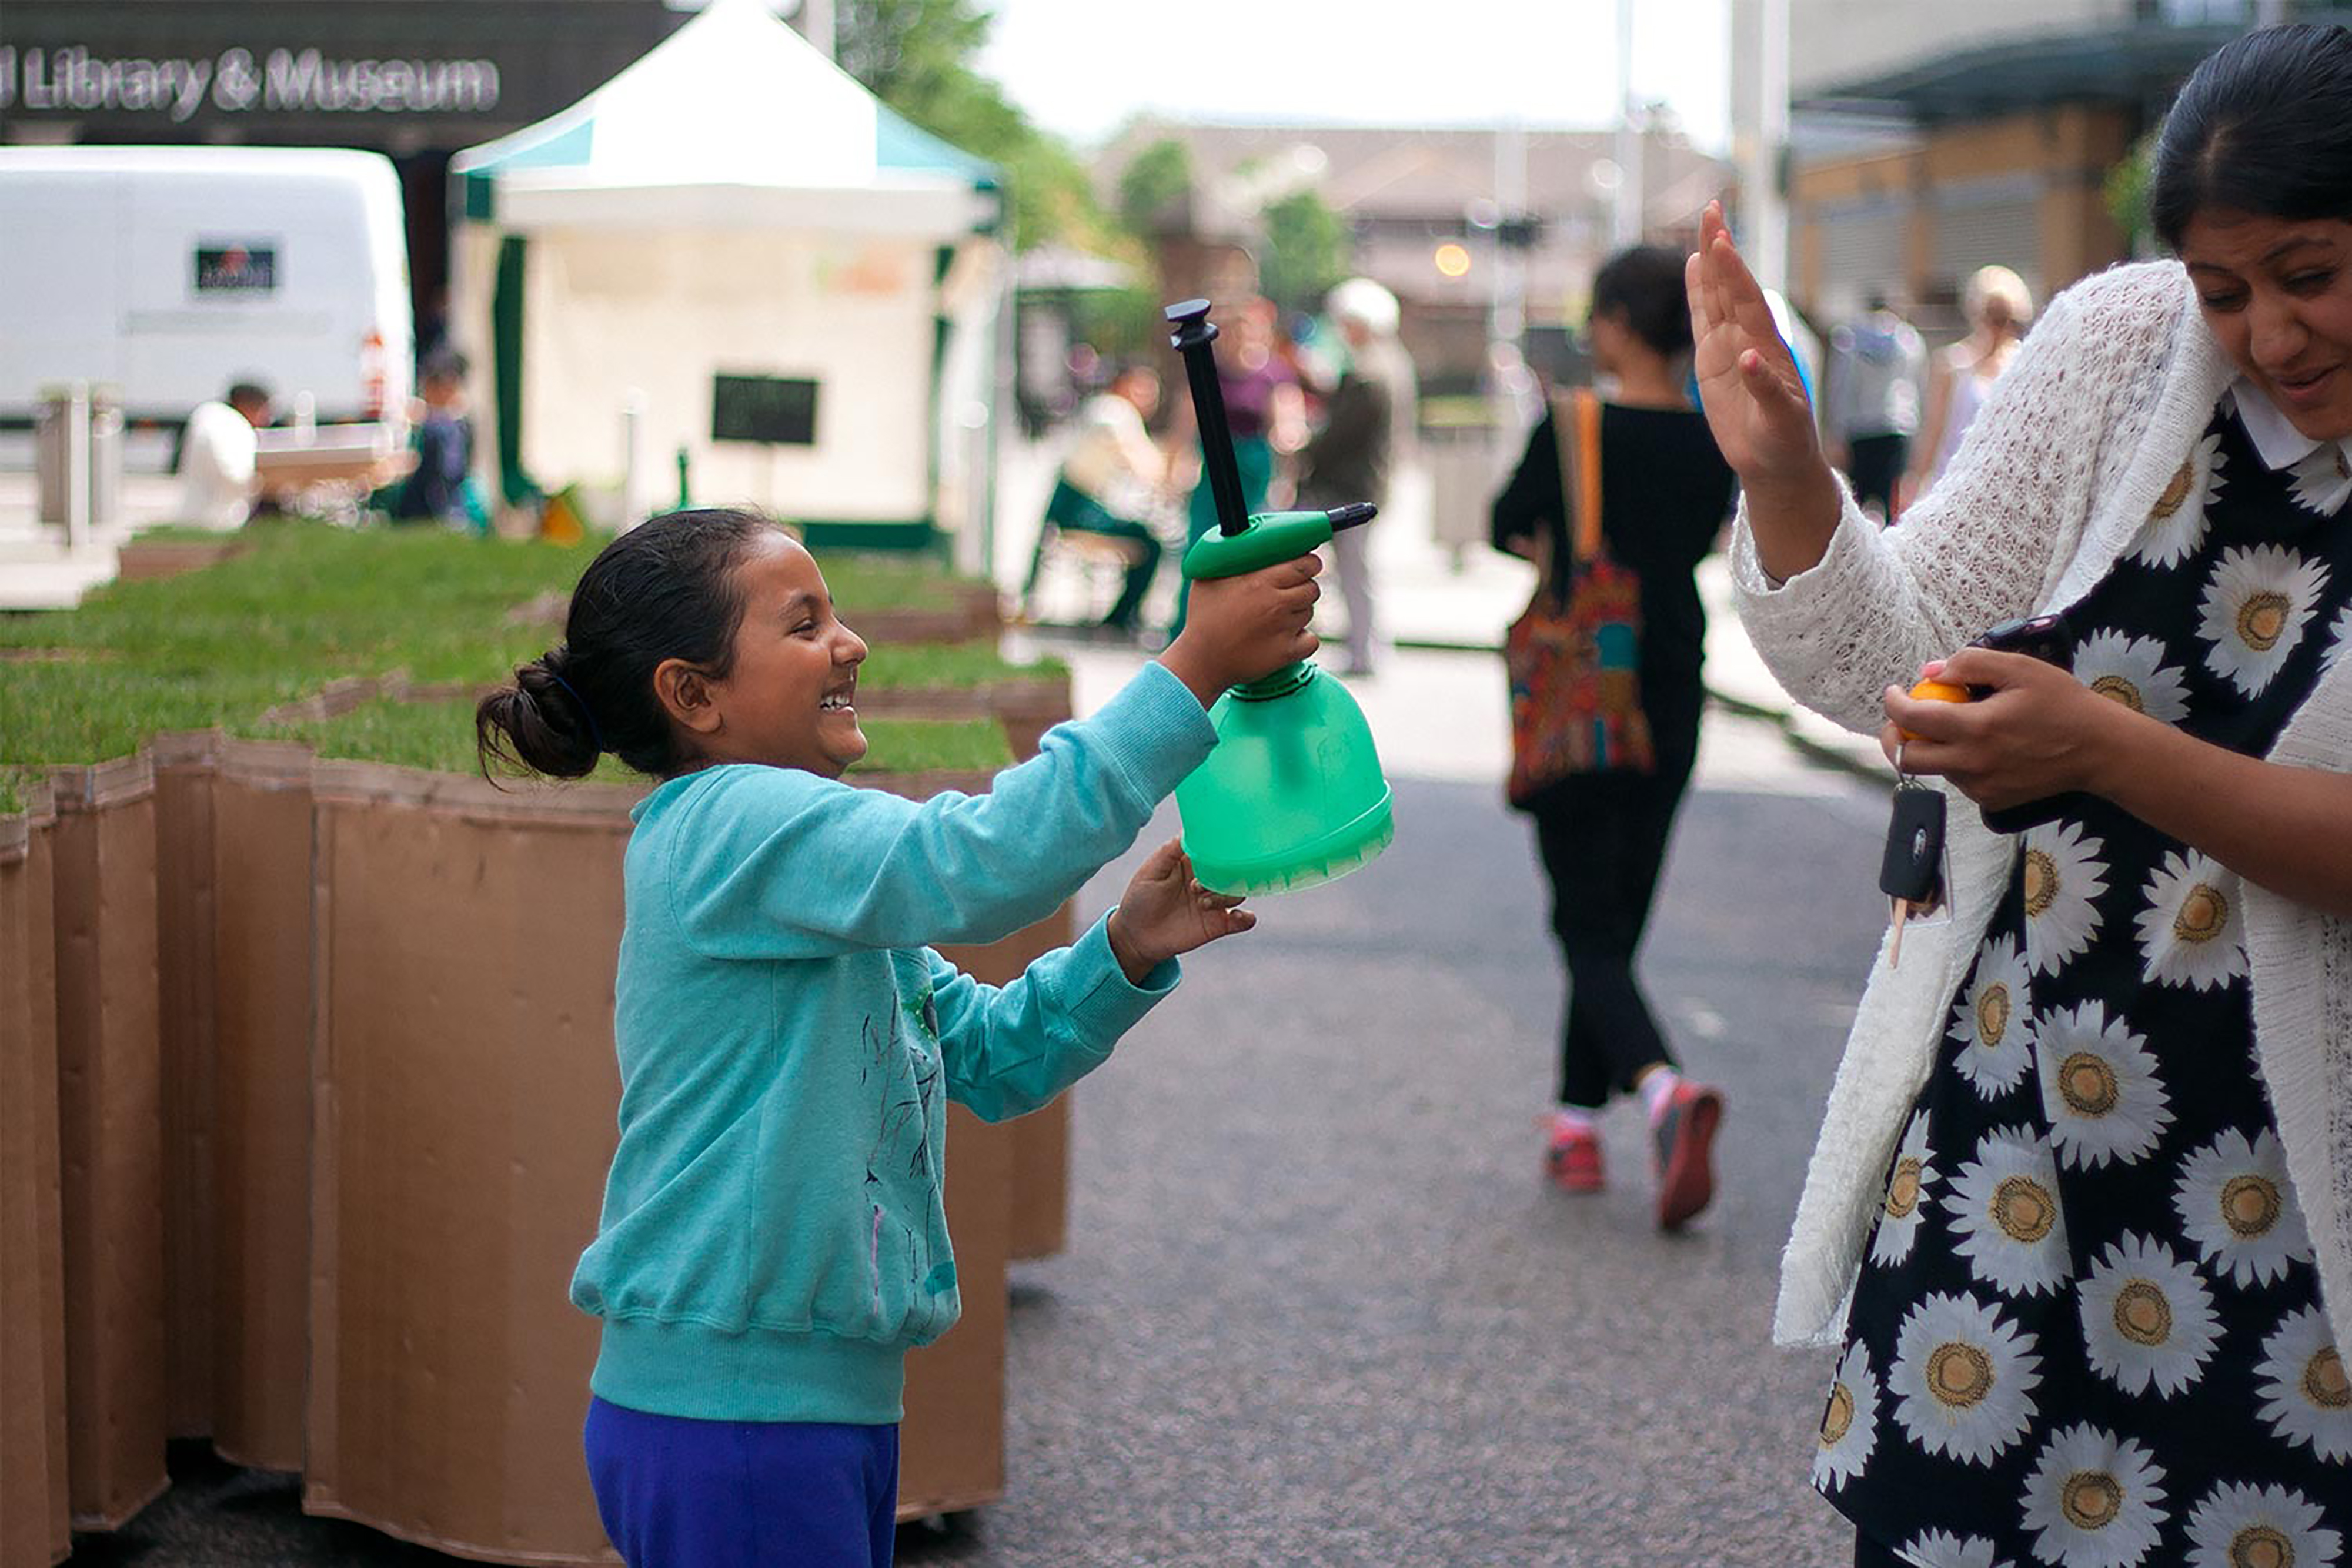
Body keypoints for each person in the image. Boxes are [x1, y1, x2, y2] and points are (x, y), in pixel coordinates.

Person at [1690, 21, 2352, 1564]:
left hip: (2298, 1214)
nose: (2270, 334)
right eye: (2225, 287)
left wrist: (2101, 750)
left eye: (2312, 273)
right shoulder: (2119, 354)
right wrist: (1788, 474)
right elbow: (1892, 658)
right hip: (2017, 1145)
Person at [474, 508, 1321, 1568]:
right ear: (694, 695)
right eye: (804, 623)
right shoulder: (731, 823)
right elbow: (985, 860)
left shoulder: (794, 862)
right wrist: (1194, 664)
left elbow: (985, 1053)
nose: (851, 642)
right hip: (739, 1419)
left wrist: (1126, 949)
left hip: (802, 1412)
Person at [1491, 245, 1737, 1229]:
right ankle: (1575, 1122)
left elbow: (1506, 520)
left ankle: (1663, 1090)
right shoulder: (1714, 436)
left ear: (1622, 325)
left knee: (1583, 921)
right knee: (1616, 914)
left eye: (1599, 316)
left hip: (1582, 690)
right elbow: (1707, 538)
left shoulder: (1574, 424)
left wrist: (1565, 539)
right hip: (1674, 682)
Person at [1298, 278, 1417, 677]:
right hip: (1369, 483)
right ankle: (1367, 648)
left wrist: (1304, 450)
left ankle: (1365, 650)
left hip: (1350, 487)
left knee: (1354, 572)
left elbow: (1338, 435)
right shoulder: (1394, 362)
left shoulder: (1368, 371)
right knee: (1358, 571)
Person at [1170, 295, 1308, 636]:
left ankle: (1245, 627)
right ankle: (1189, 628)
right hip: (1214, 465)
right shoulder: (1209, 368)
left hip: (1252, 466)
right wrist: (1176, 464)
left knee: (1250, 551)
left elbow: (1287, 420)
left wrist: (1287, 462)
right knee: (1201, 545)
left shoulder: (1273, 372)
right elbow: (1185, 420)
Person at [1026, 363, 1170, 634]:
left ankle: (1120, 617)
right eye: (1143, 389)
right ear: (1123, 384)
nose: (1149, 398)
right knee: (1150, 544)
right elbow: (1144, 463)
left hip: (1079, 508)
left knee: (1146, 538)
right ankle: (1120, 620)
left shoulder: (1107, 410)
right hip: (1078, 512)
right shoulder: (1114, 411)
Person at [1906, 264, 2034, 501]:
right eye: (1993, 316)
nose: (2000, 327)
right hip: (1952, 485)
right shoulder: (1952, 363)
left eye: (2008, 319)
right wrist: (1915, 481)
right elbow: (1934, 429)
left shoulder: (2023, 365)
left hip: (2001, 489)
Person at [1826, 295, 1927, 521]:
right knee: (1893, 502)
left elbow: (1840, 387)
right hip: (1897, 427)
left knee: (1857, 503)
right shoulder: (1909, 340)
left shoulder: (1850, 339)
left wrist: (1836, 431)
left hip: (1859, 428)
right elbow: (1917, 388)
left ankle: (1857, 552)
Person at [392, 348, 484, 532]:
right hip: (420, 497)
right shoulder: (419, 420)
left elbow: (460, 465)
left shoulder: (459, 424)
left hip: (449, 492)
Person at [176, 379, 272, 531]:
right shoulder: (236, 425)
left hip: (191, 517)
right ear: (252, 405)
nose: (267, 419)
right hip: (219, 524)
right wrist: (267, 482)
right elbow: (235, 476)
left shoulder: (207, 414)